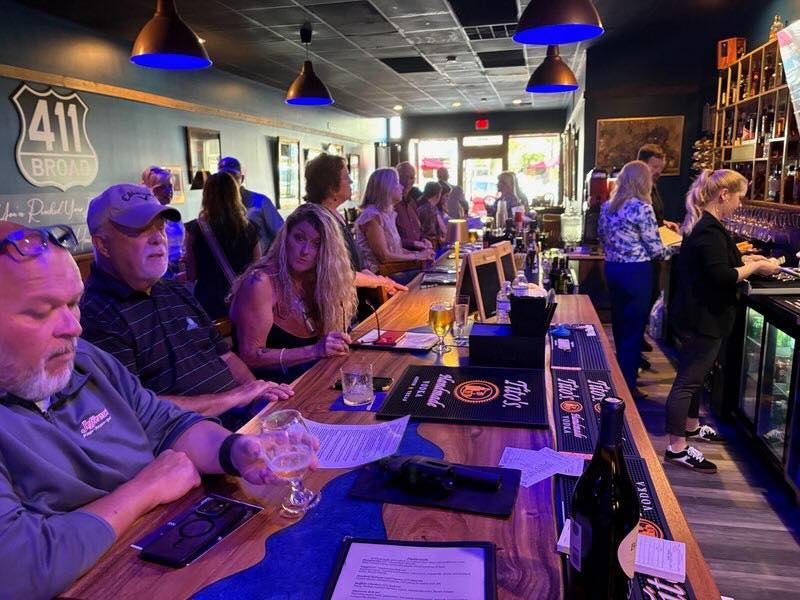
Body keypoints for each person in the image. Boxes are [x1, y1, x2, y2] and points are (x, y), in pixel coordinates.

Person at [0, 220, 311, 599]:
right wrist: (146, 489)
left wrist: (234, 450)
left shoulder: (85, 359)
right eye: (41, 312)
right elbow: (21, 566)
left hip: (170, 549)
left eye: (72, 303)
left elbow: (165, 423)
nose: (73, 327)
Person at [79, 184, 292, 429]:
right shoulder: (96, 314)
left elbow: (226, 356)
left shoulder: (173, 290)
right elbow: (131, 408)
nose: (158, 238)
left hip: (244, 421)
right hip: (197, 438)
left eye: (159, 227)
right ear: (103, 245)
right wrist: (235, 398)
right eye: (140, 230)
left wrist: (259, 399)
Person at [664, 170, 779, 473]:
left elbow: (717, 265)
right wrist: (755, 268)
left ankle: (690, 427)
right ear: (724, 195)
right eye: (739, 197)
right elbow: (723, 276)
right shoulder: (709, 230)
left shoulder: (705, 224)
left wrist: (750, 261)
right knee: (687, 381)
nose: (740, 204)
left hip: (697, 315)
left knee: (695, 377)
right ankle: (676, 448)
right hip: (703, 318)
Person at [229, 204, 357, 383]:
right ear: (285, 237)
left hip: (313, 378)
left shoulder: (319, 281)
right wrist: (315, 351)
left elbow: (349, 276)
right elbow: (250, 356)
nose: (305, 251)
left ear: (327, 251)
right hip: (272, 389)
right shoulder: (260, 282)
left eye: (317, 244)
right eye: (299, 238)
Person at [597, 161, 665, 398]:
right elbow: (656, 250)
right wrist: (678, 247)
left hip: (612, 269)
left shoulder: (608, 207)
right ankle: (627, 386)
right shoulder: (642, 208)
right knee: (634, 329)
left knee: (619, 326)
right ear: (644, 182)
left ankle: (620, 378)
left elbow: (601, 236)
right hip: (636, 272)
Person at [302, 152, 406, 297]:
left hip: (351, 294)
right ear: (330, 186)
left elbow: (357, 263)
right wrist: (378, 281)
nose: (351, 181)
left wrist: (381, 281)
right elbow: (334, 273)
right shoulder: (315, 219)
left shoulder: (334, 215)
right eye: (346, 177)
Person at [184, 172, 261, 320]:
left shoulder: (196, 229)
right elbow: (256, 269)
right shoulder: (249, 228)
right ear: (235, 195)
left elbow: (191, 274)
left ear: (206, 196)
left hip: (208, 302)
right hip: (242, 300)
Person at [637, 145, 678, 365]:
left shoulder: (652, 188)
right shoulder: (639, 193)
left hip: (650, 255)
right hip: (644, 256)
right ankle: (633, 352)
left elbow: (654, 218)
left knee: (649, 298)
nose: (659, 172)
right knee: (641, 303)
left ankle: (637, 341)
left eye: (661, 168)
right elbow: (644, 225)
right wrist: (674, 247)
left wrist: (664, 223)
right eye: (655, 167)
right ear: (642, 164)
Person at [355, 168, 434, 276]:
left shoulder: (387, 215)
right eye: (397, 183)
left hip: (395, 271)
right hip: (381, 277)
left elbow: (397, 251)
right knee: (429, 277)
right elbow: (385, 257)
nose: (402, 187)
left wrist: (422, 254)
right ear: (386, 188)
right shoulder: (371, 216)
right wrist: (417, 256)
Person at [218, 156, 284, 252]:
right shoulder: (217, 207)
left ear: (242, 178)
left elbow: (282, 234)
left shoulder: (261, 202)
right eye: (225, 178)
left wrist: (269, 258)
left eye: (234, 177)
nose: (230, 182)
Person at [141, 166, 185, 279]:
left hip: (179, 270)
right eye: (162, 187)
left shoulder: (172, 215)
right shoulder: (144, 218)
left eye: (170, 186)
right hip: (159, 273)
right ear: (150, 189)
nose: (169, 191)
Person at [395, 162, 432, 252]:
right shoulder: (391, 205)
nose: (407, 181)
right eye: (403, 177)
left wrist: (424, 239)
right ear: (396, 178)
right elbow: (390, 240)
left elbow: (418, 230)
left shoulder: (412, 203)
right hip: (402, 256)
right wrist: (414, 243)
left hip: (419, 254)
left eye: (411, 178)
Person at [417, 181, 447, 249]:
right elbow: (430, 234)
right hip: (429, 247)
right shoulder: (429, 210)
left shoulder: (429, 207)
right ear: (437, 195)